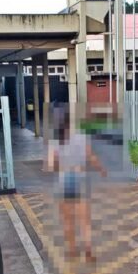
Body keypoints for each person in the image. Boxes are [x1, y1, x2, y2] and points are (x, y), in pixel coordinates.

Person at [47, 105, 107, 262]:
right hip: (80, 178)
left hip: (63, 180)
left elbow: (51, 165)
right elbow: (91, 156)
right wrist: (101, 169)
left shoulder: (55, 141)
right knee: (84, 220)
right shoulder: (81, 137)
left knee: (68, 220)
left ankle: (72, 251)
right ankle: (87, 250)